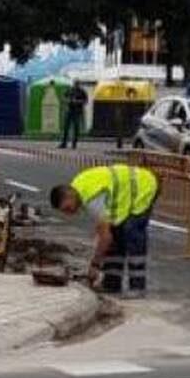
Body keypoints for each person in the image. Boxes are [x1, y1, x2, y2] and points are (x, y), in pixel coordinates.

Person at [50, 164, 158, 297]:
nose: (69, 213)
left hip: (143, 186)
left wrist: (95, 264)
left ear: (69, 196)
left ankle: (138, 287)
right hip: (127, 194)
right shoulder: (77, 187)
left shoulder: (91, 199)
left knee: (132, 234)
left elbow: (105, 237)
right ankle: (112, 284)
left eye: (67, 208)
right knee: (116, 234)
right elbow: (104, 229)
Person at [59, 83, 88, 149]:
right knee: (66, 127)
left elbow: (85, 101)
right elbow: (63, 98)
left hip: (77, 111)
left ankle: (74, 144)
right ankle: (64, 143)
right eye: (75, 84)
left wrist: (77, 101)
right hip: (69, 110)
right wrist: (68, 101)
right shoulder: (69, 90)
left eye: (77, 84)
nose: (76, 85)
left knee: (76, 128)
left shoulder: (82, 91)